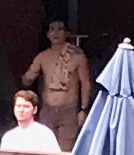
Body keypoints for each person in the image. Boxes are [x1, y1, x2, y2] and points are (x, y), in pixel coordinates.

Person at [31, 19, 93, 147]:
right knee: (44, 150)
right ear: (47, 34)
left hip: (69, 110)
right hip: (47, 110)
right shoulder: (42, 57)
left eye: (60, 29)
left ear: (67, 33)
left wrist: (83, 109)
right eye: (52, 29)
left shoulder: (78, 57)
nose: (56, 33)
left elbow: (85, 84)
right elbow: (27, 78)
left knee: (65, 151)